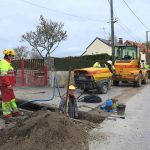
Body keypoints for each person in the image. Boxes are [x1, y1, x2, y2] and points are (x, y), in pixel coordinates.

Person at [0, 49, 19, 119]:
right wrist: (8, 84)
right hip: (5, 86)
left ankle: (15, 111)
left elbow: (9, 74)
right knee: (6, 100)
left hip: (9, 86)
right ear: (8, 56)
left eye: (13, 56)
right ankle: (7, 114)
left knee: (12, 98)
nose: (13, 57)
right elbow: (3, 75)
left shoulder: (8, 63)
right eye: (12, 56)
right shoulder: (4, 62)